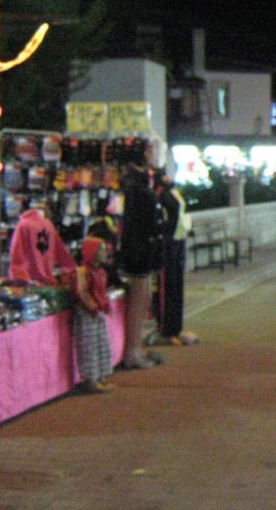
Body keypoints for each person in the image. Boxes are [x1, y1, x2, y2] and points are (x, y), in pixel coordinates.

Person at [119, 164, 167, 370]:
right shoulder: (136, 190)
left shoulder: (141, 189)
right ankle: (132, 351)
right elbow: (136, 225)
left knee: (144, 298)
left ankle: (136, 348)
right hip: (138, 253)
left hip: (144, 251)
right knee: (139, 300)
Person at [150, 170, 196, 346]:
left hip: (177, 243)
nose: (168, 177)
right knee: (166, 287)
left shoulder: (173, 192)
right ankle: (166, 330)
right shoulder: (159, 194)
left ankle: (176, 328)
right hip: (166, 246)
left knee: (176, 286)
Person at [67, 236, 115, 393]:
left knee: (102, 344)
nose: (105, 253)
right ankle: (91, 380)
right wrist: (93, 307)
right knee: (89, 347)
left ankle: (101, 376)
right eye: (101, 249)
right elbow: (82, 292)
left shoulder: (101, 272)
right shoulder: (82, 272)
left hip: (98, 312)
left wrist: (104, 305)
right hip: (87, 313)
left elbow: (101, 291)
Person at [8, 200, 77, 284]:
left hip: (30, 282)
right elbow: (62, 253)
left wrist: (19, 280)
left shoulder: (23, 225)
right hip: (49, 281)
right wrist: (69, 271)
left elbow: (17, 256)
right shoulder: (48, 224)